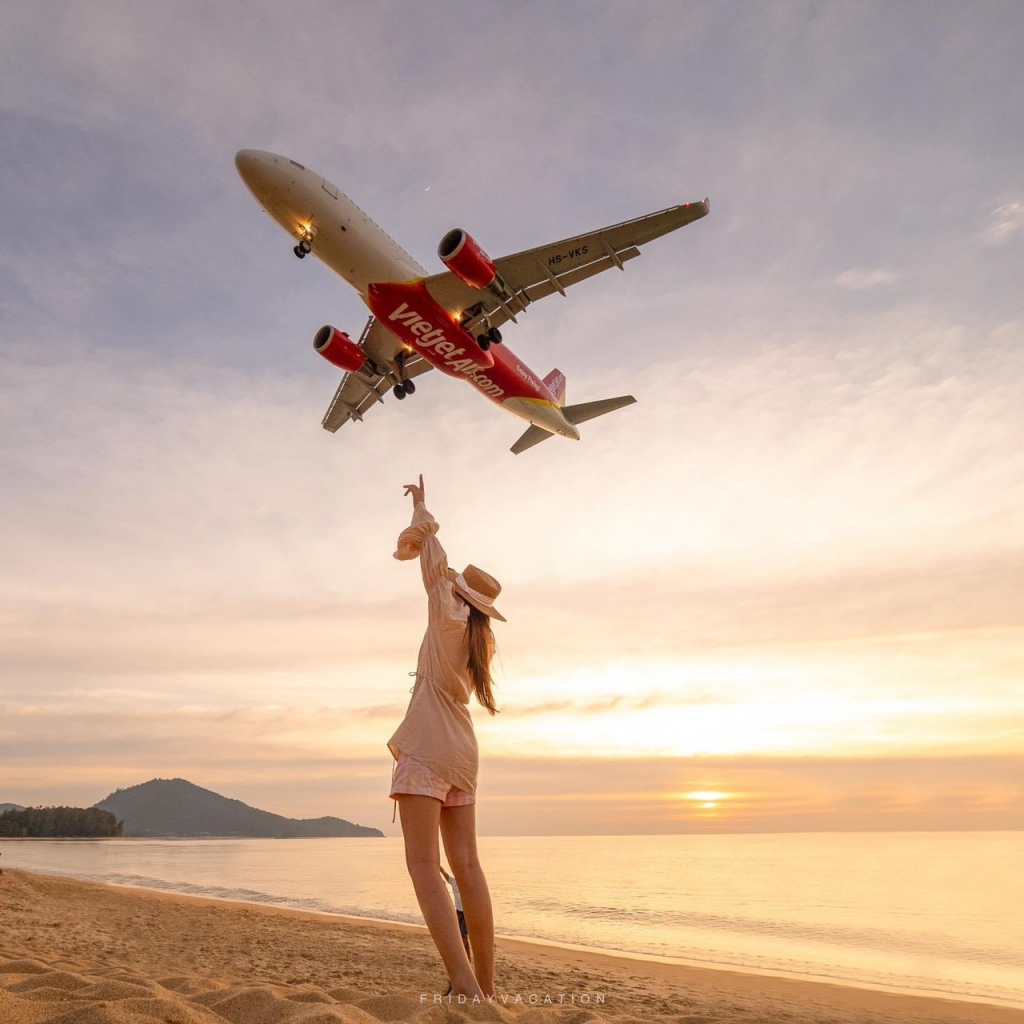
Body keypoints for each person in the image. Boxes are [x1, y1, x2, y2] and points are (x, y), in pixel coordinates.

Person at [388, 475, 503, 1000]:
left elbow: (433, 565)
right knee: (468, 865)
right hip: (463, 746)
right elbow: (441, 573)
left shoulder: (447, 616)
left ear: (461, 595)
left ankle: (463, 986)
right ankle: (485, 984)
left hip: (430, 743)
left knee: (421, 864)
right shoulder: (483, 636)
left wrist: (424, 510)